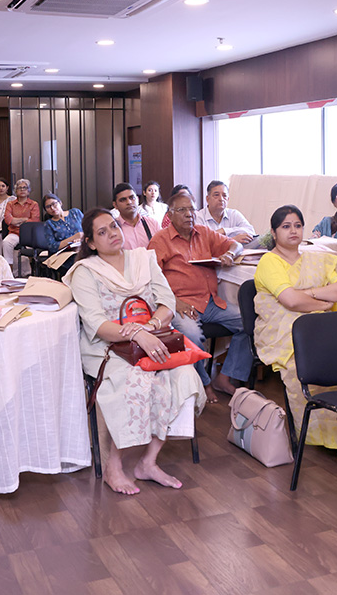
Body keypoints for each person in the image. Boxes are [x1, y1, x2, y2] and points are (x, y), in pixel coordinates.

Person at [64, 209, 204, 496]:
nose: (112, 234)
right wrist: (137, 334)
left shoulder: (143, 259)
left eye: (113, 226)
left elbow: (166, 303)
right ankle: (113, 466)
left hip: (153, 338)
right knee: (136, 379)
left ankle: (147, 462)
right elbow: (97, 324)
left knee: (185, 375)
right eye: (102, 232)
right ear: (90, 243)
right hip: (106, 347)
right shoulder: (85, 272)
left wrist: (149, 327)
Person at [255, 205, 337, 453]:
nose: (293, 231)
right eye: (286, 226)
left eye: (297, 225)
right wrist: (321, 303)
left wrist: (308, 294)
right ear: (274, 232)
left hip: (320, 326)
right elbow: (291, 302)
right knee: (303, 364)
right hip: (281, 330)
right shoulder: (269, 262)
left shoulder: (316, 259)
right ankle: (318, 434)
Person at [148, 188, 250, 401]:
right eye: (182, 210)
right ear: (170, 215)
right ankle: (204, 382)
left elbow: (236, 244)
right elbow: (151, 281)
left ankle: (225, 376)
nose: (189, 214)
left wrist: (230, 253)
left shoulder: (203, 232)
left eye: (192, 209)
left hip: (210, 302)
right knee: (192, 336)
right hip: (179, 305)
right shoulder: (160, 240)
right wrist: (174, 302)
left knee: (249, 322)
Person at [1, 178, 40, 275]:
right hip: (15, 233)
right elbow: (8, 220)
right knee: (6, 242)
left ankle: (31, 273)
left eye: (25, 188)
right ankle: (9, 270)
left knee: (33, 251)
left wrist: (16, 220)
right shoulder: (10, 204)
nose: (22, 190)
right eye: (19, 188)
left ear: (28, 191)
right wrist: (25, 219)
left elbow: (34, 221)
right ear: (16, 191)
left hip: (29, 235)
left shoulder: (34, 204)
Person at [199, 180, 256, 244]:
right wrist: (231, 240)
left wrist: (224, 231)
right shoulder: (199, 217)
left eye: (224, 195)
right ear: (207, 199)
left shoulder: (234, 214)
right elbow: (201, 242)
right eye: (216, 195)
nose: (221, 199)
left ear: (228, 199)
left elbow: (251, 231)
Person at [112, 182, 159, 249]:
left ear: (137, 199)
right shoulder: (113, 229)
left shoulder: (153, 224)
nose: (129, 202)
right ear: (115, 205)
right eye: (123, 200)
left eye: (132, 198)